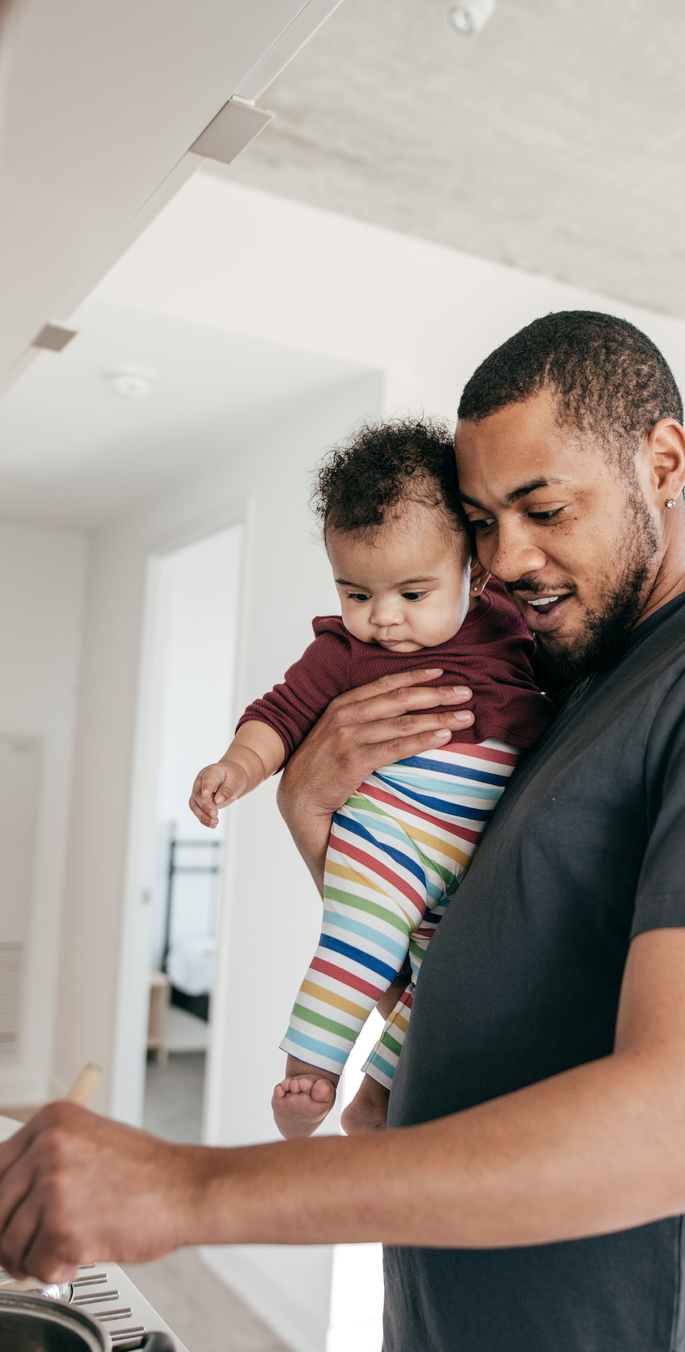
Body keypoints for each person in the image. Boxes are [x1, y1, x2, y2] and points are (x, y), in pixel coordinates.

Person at [0, 310, 685, 1352]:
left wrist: (188, 1185)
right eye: (481, 520)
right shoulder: (560, 679)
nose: (504, 559)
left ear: (664, 462)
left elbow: (678, 1130)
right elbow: (477, 940)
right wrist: (314, 817)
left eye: (542, 509)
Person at [187, 419, 550, 1139]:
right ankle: (311, 1072)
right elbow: (281, 713)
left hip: (472, 863)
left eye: (413, 594)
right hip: (388, 836)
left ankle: (377, 1098)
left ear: (476, 576)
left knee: (452, 981)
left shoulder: (513, 626)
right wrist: (238, 766)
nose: (382, 619)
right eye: (357, 594)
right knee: (359, 951)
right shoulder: (344, 653)